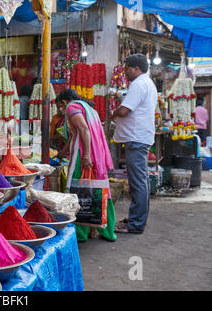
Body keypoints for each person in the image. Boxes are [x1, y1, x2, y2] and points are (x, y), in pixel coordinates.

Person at [58, 89, 116, 242]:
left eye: (59, 107)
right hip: (98, 153)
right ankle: (108, 231)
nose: (60, 111)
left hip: (84, 154)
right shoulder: (89, 109)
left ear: (64, 102)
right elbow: (74, 135)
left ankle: (80, 233)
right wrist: (60, 154)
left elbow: (83, 129)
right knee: (101, 190)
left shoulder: (72, 108)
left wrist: (86, 155)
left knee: (79, 190)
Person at [111, 53, 157, 234]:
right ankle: (136, 219)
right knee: (141, 181)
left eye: (127, 68)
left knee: (138, 182)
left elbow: (123, 111)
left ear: (136, 68)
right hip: (139, 137)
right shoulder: (147, 83)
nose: (125, 72)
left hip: (136, 138)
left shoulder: (139, 84)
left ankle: (136, 224)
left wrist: (113, 113)